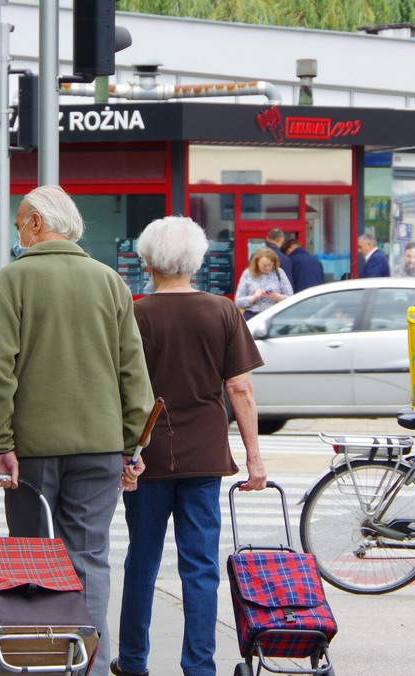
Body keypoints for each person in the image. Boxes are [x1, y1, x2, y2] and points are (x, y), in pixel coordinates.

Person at [0, 185, 153, 676]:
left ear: (35, 223)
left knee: (34, 562)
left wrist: (0, 443)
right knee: (90, 560)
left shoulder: (13, 280)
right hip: (101, 447)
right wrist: (134, 443)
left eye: (18, 225)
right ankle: (90, 669)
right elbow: (133, 371)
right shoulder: (110, 282)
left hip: (32, 451)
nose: (17, 235)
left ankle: (41, 665)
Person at [112, 217, 267, 676]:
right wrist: (254, 457)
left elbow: (118, 390)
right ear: (197, 262)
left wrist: (122, 454)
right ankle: (200, 665)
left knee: (141, 560)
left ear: (147, 262)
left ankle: (134, 662)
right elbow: (240, 388)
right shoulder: (222, 311)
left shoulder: (135, 314)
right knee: (200, 567)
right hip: (204, 455)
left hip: (146, 455)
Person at [234, 247, 293, 319]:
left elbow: (290, 297)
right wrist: (254, 297)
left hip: (274, 316)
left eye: (270, 264)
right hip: (252, 316)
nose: (267, 268)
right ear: (256, 263)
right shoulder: (248, 273)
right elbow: (238, 301)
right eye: (264, 265)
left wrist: (276, 296)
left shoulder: (279, 272)